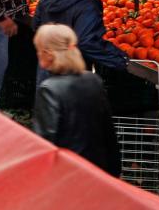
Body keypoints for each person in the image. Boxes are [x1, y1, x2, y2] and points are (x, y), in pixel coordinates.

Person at [32, 24, 121, 177]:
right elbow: (108, 131)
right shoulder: (93, 80)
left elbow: (45, 142)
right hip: (98, 171)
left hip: (68, 174)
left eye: (38, 50)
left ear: (48, 54)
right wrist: (115, 171)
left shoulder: (49, 90)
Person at [33, 0, 128, 85]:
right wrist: (118, 58)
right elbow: (86, 41)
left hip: (47, 68)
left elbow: (37, 26)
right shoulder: (88, 4)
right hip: (72, 71)